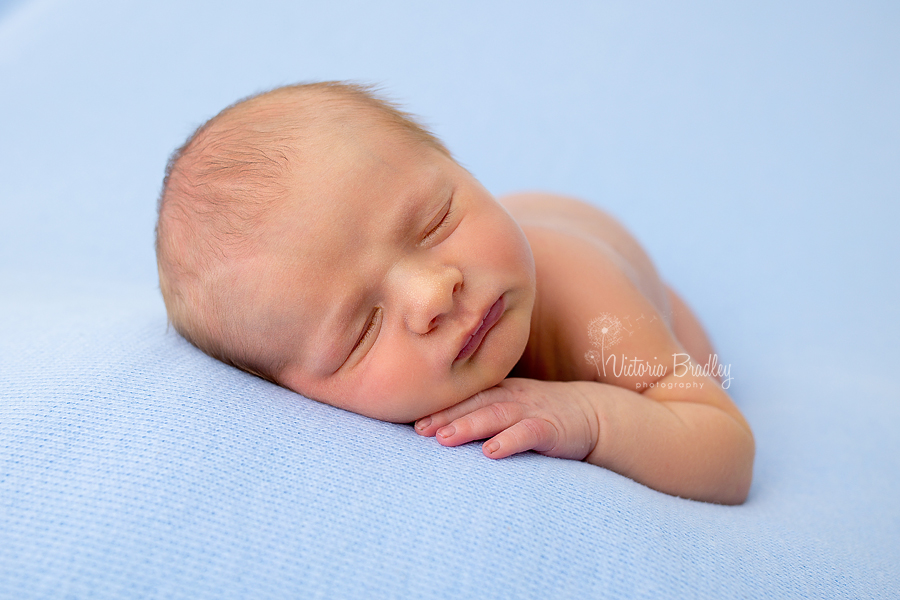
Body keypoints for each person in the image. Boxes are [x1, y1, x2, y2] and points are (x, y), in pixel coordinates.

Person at [156, 81, 754, 504]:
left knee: (702, 369)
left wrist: (591, 417)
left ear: (463, 167)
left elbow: (728, 453)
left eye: (435, 221)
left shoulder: (592, 307)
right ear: (298, 391)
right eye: (363, 329)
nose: (435, 294)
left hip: (599, 260)